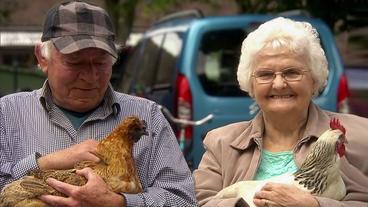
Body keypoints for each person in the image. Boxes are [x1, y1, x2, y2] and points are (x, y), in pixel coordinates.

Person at [0, 1, 196, 206]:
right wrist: (44, 163)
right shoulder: (7, 114)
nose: (90, 77)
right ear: (42, 58)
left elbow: (183, 199)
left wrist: (119, 203)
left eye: (101, 63)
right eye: (75, 62)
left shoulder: (147, 117)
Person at [194, 17, 368, 207]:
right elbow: (198, 202)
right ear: (251, 84)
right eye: (265, 74)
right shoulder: (221, 144)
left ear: (314, 79)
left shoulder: (362, 136)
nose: (278, 84)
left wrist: (313, 205)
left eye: (292, 72)